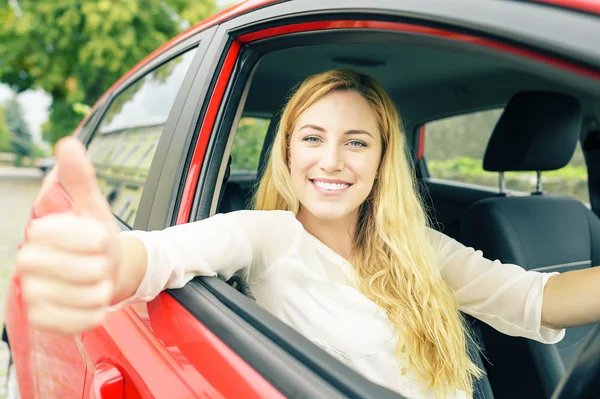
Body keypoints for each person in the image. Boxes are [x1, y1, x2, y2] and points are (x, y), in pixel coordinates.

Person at [16, 70, 600, 399]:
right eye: (313, 138)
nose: (332, 161)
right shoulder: (265, 235)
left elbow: (536, 298)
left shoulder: (419, 248)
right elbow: (162, 253)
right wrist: (105, 263)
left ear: (380, 161)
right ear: (288, 152)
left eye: (356, 141)